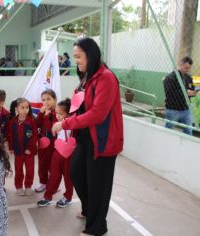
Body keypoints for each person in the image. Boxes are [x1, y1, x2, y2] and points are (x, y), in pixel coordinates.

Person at [52, 37, 123, 236]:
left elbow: (97, 113)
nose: (76, 61)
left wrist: (65, 123)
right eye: (74, 57)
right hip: (85, 138)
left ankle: (97, 227)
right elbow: (80, 104)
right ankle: (89, 209)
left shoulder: (106, 78)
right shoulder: (87, 76)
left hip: (102, 141)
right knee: (77, 173)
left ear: (90, 56)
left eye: (78, 57)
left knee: (98, 185)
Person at [37, 98, 74, 208]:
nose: (57, 115)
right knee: (54, 175)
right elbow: (49, 129)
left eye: (60, 113)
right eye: (57, 113)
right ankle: (47, 196)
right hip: (58, 152)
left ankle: (68, 197)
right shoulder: (57, 123)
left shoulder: (73, 123)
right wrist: (44, 114)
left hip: (69, 155)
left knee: (68, 177)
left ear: (68, 114)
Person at [6, 98, 38, 196]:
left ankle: (28, 186)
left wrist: (30, 148)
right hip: (18, 151)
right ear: (17, 109)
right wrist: (11, 147)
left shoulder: (31, 121)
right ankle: (19, 186)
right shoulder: (13, 121)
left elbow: (34, 136)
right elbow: (10, 135)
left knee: (30, 170)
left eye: (27, 107)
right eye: (22, 108)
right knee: (19, 170)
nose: (25, 110)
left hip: (29, 152)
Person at [163, 56, 197, 135]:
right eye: (186, 68)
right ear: (180, 65)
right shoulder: (170, 78)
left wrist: (192, 93)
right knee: (168, 130)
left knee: (188, 131)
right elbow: (170, 93)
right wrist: (186, 92)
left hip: (186, 109)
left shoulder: (188, 78)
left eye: (189, 68)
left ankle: (187, 145)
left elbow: (191, 89)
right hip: (173, 109)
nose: (187, 70)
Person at [35, 89, 58, 193]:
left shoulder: (57, 112)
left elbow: (55, 126)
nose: (46, 102)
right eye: (43, 100)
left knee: (53, 166)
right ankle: (43, 182)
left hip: (54, 145)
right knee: (42, 164)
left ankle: (54, 185)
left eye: (48, 99)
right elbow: (37, 124)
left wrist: (49, 115)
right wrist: (41, 114)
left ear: (55, 99)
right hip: (43, 144)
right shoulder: (43, 112)